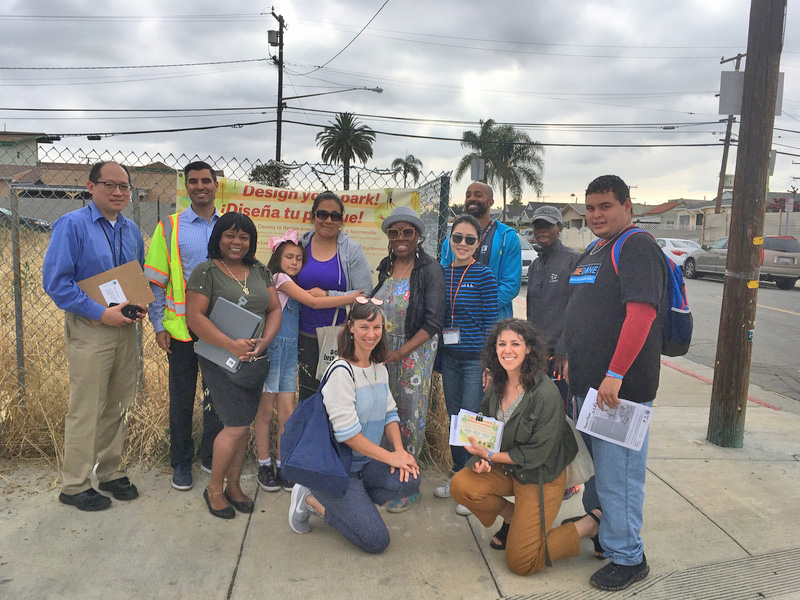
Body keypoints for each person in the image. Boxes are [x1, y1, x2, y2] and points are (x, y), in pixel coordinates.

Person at [563, 175, 667, 591]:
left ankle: (629, 558)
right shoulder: (596, 248)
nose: (595, 215)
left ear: (628, 205)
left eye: (605, 206)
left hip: (619, 392)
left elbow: (641, 315)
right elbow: (582, 308)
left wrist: (615, 374)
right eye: (590, 208)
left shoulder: (637, 246)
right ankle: (607, 540)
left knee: (619, 476)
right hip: (591, 389)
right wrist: (571, 358)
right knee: (596, 473)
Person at [450, 319, 599, 576]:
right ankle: (513, 518)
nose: (507, 350)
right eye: (502, 344)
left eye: (515, 344)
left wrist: (492, 455)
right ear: (494, 349)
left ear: (528, 348)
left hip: (541, 475)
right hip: (509, 467)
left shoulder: (546, 393)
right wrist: (482, 460)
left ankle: (589, 526)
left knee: (522, 562)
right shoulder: (497, 384)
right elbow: (487, 432)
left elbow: (537, 455)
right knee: (462, 485)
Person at [43, 161, 145, 511]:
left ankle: (110, 471)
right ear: (91, 187)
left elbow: (136, 275)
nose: (118, 192)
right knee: (87, 406)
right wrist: (102, 313)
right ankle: (74, 485)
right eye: (110, 185)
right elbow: (57, 284)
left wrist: (137, 304)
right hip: (92, 328)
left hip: (125, 328)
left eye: (124, 187)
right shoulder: (72, 225)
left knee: (118, 403)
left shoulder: (131, 229)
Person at [288, 300, 421, 553]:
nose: (371, 334)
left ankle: (354, 506)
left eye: (377, 327)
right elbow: (348, 436)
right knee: (376, 541)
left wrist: (400, 452)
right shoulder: (341, 371)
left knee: (410, 480)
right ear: (350, 327)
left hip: (365, 464)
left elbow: (390, 413)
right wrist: (391, 457)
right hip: (337, 469)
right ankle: (311, 499)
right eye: (364, 327)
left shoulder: (378, 368)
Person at [185, 212, 282, 519]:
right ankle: (214, 489)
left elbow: (274, 308)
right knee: (236, 426)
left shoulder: (259, 271)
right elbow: (195, 317)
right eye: (230, 235)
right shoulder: (206, 271)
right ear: (219, 238)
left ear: (251, 242)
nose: (237, 242)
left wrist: (263, 342)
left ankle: (234, 487)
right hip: (220, 359)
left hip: (252, 359)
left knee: (242, 427)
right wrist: (230, 344)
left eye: (243, 237)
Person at [255, 229, 364, 493]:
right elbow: (312, 303)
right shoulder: (280, 279)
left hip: (291, 351)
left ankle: (284, 463)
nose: (293, 263)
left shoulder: (294, 284)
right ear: (278, 258)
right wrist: (352, 297)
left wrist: (324, 292)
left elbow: (315, 296)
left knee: (288, 411)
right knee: (266, 411)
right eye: (289, 257)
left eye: (298, 259)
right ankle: (263, 463)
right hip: (274, 350)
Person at [144, 160, 224, 491]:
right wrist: (158, 323)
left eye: (206, 180)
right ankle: (180, 462)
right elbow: (155, 281)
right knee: (181, 397)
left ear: (216, 185)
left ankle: (211, 456)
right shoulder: (170, 227)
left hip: (221, 327)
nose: (200, 186)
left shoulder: (230, 225)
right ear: (186, 187)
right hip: (181, 330)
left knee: (217, 396)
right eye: (193, 181)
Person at [371, 206, 445, 512]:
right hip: (383, 352)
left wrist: (401, 352)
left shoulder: (429, 269)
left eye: (407, 232)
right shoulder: (385, 265)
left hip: (414, 353)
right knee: (385, 413)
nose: (401, 238)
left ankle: (409, 485)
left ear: (418, 236)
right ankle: (387, 473)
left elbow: (433, 321)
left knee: (410, 416)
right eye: (394, 232)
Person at [435, 214, 498, 514]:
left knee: (472, 421)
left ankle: (474, 484)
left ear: (478, 243)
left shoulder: (485, 277)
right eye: (457, 238)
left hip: (475, 360)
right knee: (454, 418)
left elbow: (491, 323)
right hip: (449, 359)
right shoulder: (442, 273)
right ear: (450, 239)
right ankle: (458, 476)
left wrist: (489, 365)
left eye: (469, 239)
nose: (462, 244)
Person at [524, 205, 581, 500]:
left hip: (560, 355)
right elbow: (533, 311)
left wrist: (564, 350)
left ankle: (570, 478)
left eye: (548, 226)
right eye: (538, 226)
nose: (542, 231)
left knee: (563, 416)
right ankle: (548, 468)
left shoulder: (573, 261)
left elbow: (577, 310)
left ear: (559, 228)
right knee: (544, 414)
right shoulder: (535, 265)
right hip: (538, 354)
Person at [297, 192, 373, 400]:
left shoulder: (352, 250)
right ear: (312, 217)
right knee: (308, 396)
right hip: (303, 336)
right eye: (322, 214)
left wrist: (328, 295)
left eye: (335, 216)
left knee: (338, 398)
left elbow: (365, 294)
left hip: (338, 337)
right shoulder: (299, 247)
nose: (328, 220)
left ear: (342, 220)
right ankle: (311, 434)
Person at [440, 182, 521, 319]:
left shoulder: (507, 237)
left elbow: (511, 284)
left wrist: (479, 307)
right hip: (457, 317)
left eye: (478, 195)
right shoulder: (451, 241)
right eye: (468, 195)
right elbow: (443, 280)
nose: (472, 198)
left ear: (490, 202)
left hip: (494, 319)